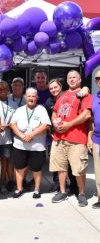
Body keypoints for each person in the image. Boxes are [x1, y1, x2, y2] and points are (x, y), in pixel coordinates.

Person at [50, 70, 92, 207]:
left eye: (75, 77)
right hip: (59, 138)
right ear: (66, 81)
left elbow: (86, 115)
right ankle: (62, 191)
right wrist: (55, 124)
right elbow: (55, 112)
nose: (72, 79)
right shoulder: (62, 96)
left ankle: (81, 193)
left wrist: (69, 124)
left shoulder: (85, 95)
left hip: (77, 139)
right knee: (60, 168)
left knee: (79, 169)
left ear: (80, 79)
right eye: (69, 78)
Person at [10, 87, 51, 199]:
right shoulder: (20, 110)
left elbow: (45, 125)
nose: (31, 98)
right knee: (19, 167)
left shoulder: (41, 109)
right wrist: (22, 135)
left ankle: (37, 190)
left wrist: (31, 135)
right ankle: (19, 188)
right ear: (25, 97)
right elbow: (12, 124)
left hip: (37, 146)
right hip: (20, 144)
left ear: (37, 97)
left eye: (33, 96)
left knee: (36, 168)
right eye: (29, 96)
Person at [0, 81, 17, 192]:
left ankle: (3, 183)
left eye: (4, 90)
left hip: (7, 138)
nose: (2, 92)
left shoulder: (13, 104)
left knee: (5, 161)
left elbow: (16, 120)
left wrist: (8, 125)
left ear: (8, 90)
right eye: (0, 90)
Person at [88, 70, 100, 209]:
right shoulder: (93, 98)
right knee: (98, 171)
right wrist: (89, 137)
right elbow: (90, 119)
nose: (99, 80)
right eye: (97, 78)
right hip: (97, 140)